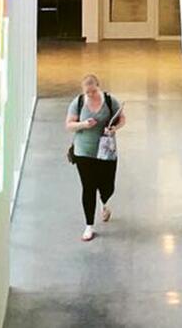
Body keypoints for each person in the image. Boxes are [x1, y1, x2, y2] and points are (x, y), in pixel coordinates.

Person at [66, 73, 126, 241]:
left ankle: (105, 201)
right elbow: (69, 125)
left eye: (93, 91)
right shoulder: (77, 103)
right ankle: (89, 225)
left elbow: (121, 119)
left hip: (106, 151)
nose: (91, 95)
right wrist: (83, 124)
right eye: (88, 92)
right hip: (83, 152)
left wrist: (115, 128)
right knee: (88, 187)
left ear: (98, 87)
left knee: (107, 185)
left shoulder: (109, 101)